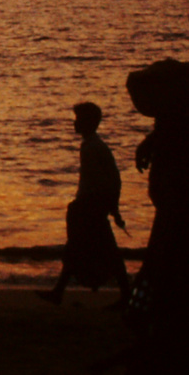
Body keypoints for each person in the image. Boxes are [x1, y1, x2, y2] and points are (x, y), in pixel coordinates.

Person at [39, 102, 127, 306]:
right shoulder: (94, 145)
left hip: (91, 207)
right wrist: (113, 209)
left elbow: (100, 181)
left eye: (78, 119)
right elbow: (113, 179)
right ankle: (59, 292)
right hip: (93, 206)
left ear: (88, 122)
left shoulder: (91, 148)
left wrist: (97, 207)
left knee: (100, 251)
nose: (74, 123)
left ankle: (126, 294)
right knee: (80, 249)